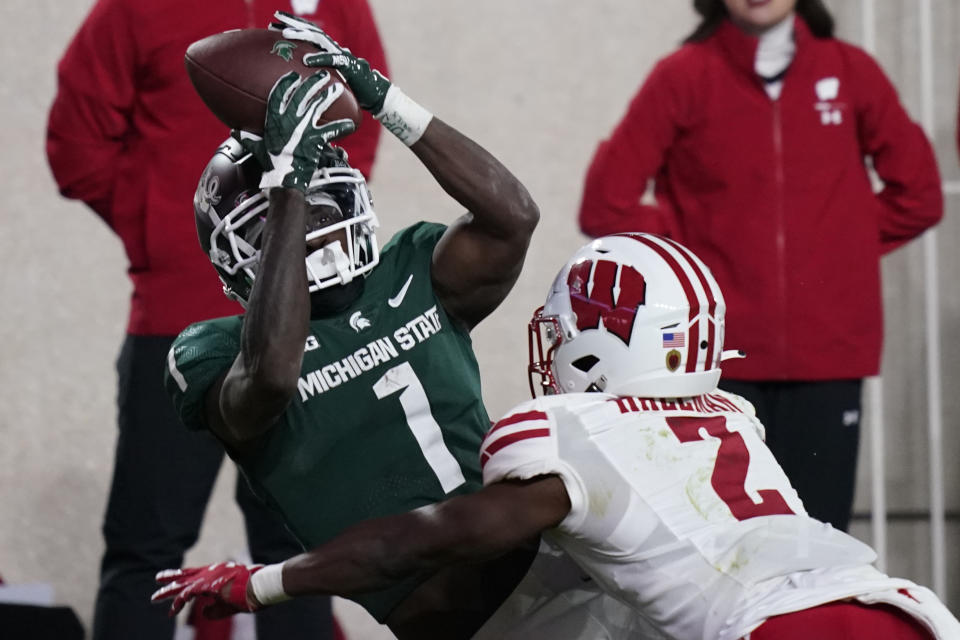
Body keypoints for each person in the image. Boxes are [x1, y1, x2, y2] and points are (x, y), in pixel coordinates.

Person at [153, 233, 960, 640]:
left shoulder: (567, 430)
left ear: (597, 346)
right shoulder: (730, 413)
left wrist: (258, 582)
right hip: (894, 606)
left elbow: (421, 541)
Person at [159, 12, 540, 639]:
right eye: (282, 220)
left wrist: (384, 99)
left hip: (555, 564)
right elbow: (274, 378)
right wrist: (286, 185)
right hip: (459, 624)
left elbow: (513, 217)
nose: (309, 226)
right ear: (234, 254)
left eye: (320, 204)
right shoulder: (215, 353)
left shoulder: (415, 270)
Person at [45, 1, 387, 638]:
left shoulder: (338, 7)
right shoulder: (135, 8)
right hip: (175, 324)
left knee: (301, 557)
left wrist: (315, 231)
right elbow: (75, 142)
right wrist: (162, 234)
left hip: (302, 322)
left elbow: (359, 121)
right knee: (145, 550)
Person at [575, 0, 944, 533]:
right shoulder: (684, 75)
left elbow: (920, 197)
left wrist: (836, 248)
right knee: (721, 540)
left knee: (819, 540)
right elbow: (606, 206)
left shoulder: (850, 71)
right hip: (714, 356)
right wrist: (699, 255)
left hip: (829, 354)